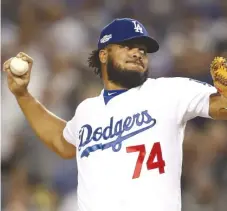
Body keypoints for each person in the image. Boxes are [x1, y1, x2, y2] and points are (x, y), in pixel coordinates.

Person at [3, 18, 227, 211]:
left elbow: (220, 107)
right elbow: (62, 142)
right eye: (128, 46)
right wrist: (22, 95)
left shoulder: (168, 91)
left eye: (142, 48)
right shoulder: (87, 110)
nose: (138, 52)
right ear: (104, 54)